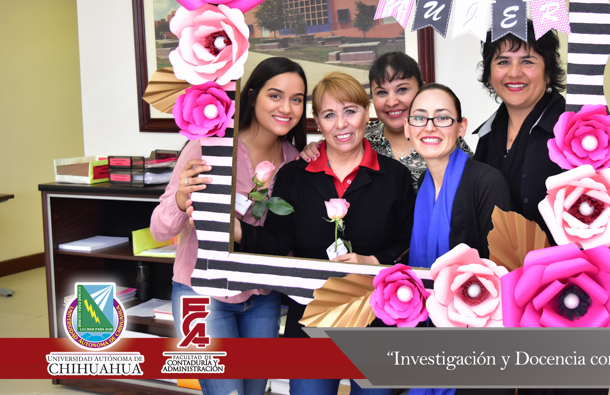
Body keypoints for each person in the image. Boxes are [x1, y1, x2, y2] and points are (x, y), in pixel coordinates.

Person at [473, 23, 610, 395]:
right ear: (489, 73)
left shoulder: (581, 121)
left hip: (575, 292)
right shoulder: (488, 135)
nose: (514, 72)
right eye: (502, 61)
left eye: (528, 60)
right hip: (514, 293)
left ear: (548, 70)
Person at [234, 71, 414, 395]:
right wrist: (239, 233)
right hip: (312, 319)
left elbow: (408, 242)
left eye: (351, 111)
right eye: (329, 115)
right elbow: (280, 241)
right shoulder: (294, 176)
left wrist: (373, 261)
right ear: (317, 121)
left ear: (367, 113)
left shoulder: (395, 177)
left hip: (375, 317)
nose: (341, 124)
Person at [150, 57, 308, 395]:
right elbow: (159, 230)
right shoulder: (209, 147)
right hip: (201, 294)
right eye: (275, 95)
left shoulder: (295, 162)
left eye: (296, 99)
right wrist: (182, 198)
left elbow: (287, 239)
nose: (286, 108)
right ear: (251, 95)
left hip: (261, 297)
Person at [302, 51, 473, 190]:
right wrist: (315, 149)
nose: (391, 102)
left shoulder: (444, 139)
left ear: (422, 90)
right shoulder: (360, 139)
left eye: (402, 89)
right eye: (382, 92)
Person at [405, 83, 512, 265]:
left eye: (442, 117)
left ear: (461, 128)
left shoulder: (487, 182)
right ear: (407, 128)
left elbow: (504, 266)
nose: (429, 127)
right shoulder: (424, 182)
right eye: (419, 117)